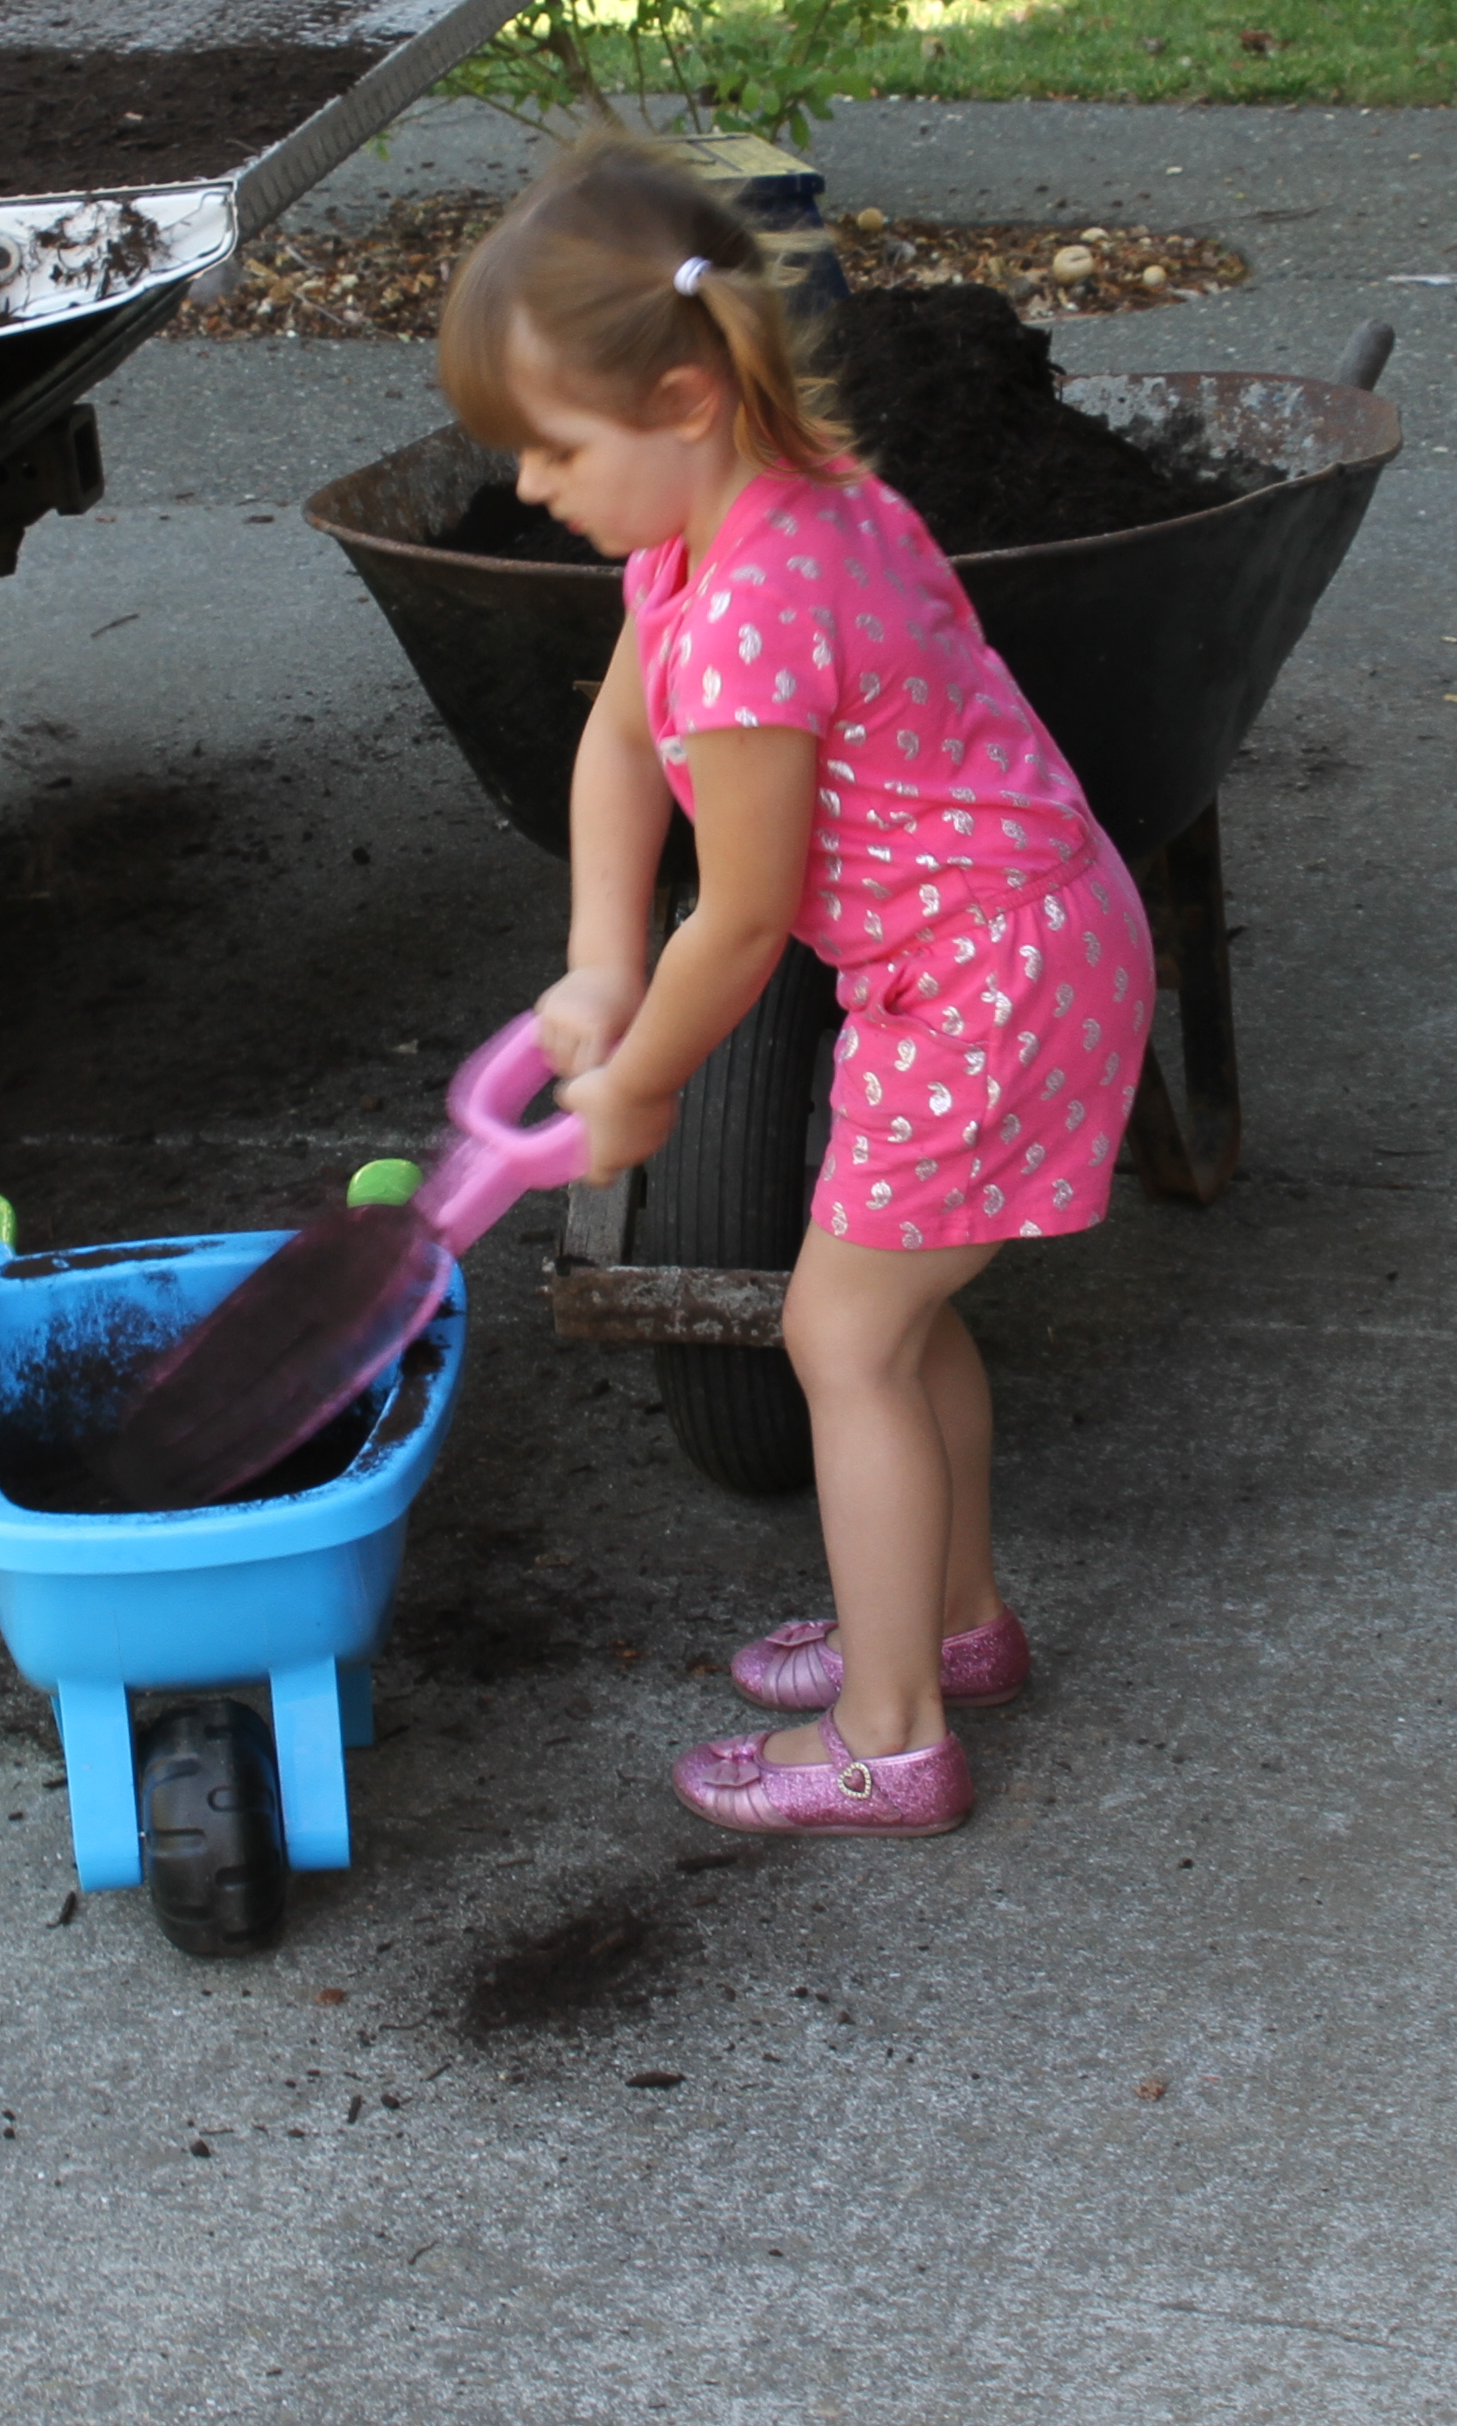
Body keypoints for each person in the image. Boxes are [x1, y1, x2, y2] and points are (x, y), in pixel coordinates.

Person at [440, 137, 1155, 1842]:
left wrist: (643, 1080)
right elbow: (620, 738)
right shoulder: (710, 529)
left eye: (550, 446)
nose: (529, 485)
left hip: (992, 980)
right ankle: (950, 1621)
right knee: (896, 1324)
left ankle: (887, 1731)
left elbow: (747, 921)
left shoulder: (766, 599)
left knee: (836, 1333)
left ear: (682, 393)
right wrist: (600, 958)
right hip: (980, 960)